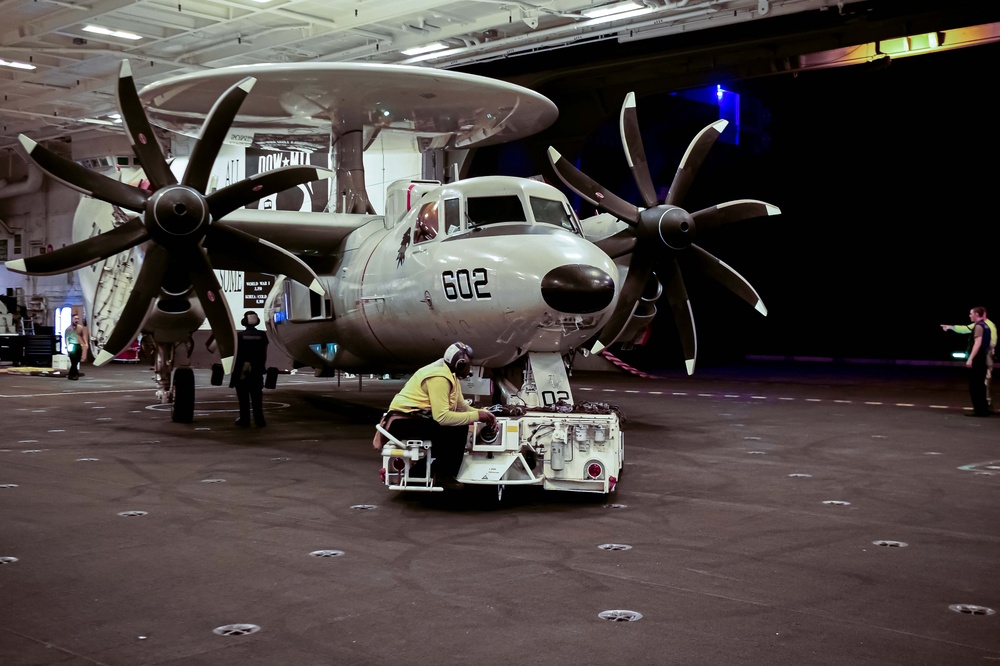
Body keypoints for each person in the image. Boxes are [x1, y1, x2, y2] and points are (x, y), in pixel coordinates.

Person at [376, 342, 496, 487]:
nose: (470, 369)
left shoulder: (450, 373)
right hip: (401, 422)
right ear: (460, 364)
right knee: (456, 428)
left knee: (452, 427)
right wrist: (477, 417)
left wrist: (483, 413)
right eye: (469, 365)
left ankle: (418, 472)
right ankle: (444, 475)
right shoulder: (440, 377)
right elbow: (443, 417)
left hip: (413, 418)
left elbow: (461, 406)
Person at [942, 308, 996, 412]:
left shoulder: (982, 326)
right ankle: (983, 407)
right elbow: (965, 328)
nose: (969, 315)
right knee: (981, 383)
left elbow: (980, 343)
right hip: (983, 356)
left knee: (979, 383)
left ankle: (982, 408)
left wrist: (970, 358)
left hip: (981, 356)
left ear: (977, 314)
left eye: (971, 314)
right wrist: (951, 327)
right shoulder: (983, 325)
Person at [230, 311, 269, 427]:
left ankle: (245, 420)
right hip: (257, 371)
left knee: (243, 399)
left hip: (242, 372)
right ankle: (260, 420)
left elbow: (236, 355)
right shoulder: (262, 335)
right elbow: (264, 354)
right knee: (257, 398)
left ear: (244, 322)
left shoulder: (239, 336)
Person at [63, 313, 89, 380]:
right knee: (73, 361)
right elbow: (66, 339)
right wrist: (68, 348)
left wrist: (85, 343)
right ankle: (73, 375)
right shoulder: (68, 329)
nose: (76, 320)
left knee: (77, 360)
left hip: (78, 345)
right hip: (72, 345)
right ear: (72, 319)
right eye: (75, 319)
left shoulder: (80, 327)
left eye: (77, 319)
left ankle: (72, 373)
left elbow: (83, 335)